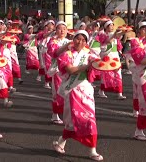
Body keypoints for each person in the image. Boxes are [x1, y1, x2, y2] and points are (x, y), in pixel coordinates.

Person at [53, 30, 103, 161]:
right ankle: (61, 141)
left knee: (89, 119)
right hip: (72, 90)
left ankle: (92, 150)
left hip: (85, 89)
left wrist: (103, 63)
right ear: (73, 39)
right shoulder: (66, 54)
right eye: (77, 39)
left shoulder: (89, 54)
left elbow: (98, 63)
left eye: (83, 40)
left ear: (86, 42)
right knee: (72, 120)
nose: (79, 42)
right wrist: (87, 66)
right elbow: (70, 70)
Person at [47, 21, 70, 125]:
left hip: (69, 69)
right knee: (57, 91)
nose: (62, 31)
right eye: (60, 29)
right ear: (56, 30)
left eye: (64, 29)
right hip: (57, 69)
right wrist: (66, 47)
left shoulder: (69, 41)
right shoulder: (53, 41)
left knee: (68, 91)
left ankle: (66, 114)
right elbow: (55, 53)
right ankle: (55, 115)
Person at [97, 20, 126, 99]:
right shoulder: (103, 35)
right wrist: (115, 34)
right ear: (106, 27)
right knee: (106, 74)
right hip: (107, 55)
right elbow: (108, 41)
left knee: (118, 74)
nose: (112, 27)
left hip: (115, 56)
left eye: (113, 25)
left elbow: (119, 35)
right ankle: (101, 91)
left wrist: (124, 31)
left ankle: (119, 93)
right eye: (110, 25)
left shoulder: (115, 36)